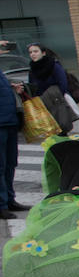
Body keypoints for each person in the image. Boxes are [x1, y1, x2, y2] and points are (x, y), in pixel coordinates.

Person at [0, 71, 28, 219]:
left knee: (10, 164)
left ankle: (10, 200)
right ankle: (1, 205)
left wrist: (12, 89)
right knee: (1, 166)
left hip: (10, 122)